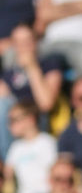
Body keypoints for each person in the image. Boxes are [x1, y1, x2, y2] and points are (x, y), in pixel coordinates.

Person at [0, 22, 64, 160]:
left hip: (35, 118)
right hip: (11, 121)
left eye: (27, 41)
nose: (23, 47)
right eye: (18, 42)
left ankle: (6, 163)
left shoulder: (49, 64)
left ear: (36, 42)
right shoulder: (9, 70)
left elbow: (46, 104)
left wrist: (32, 67)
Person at [3, 100, 57, 193]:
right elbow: (7, 175)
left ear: (30, 119)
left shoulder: (48, 142)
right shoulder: (15, 147)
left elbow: (56, 172)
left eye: (13, 120)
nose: (9, 126)